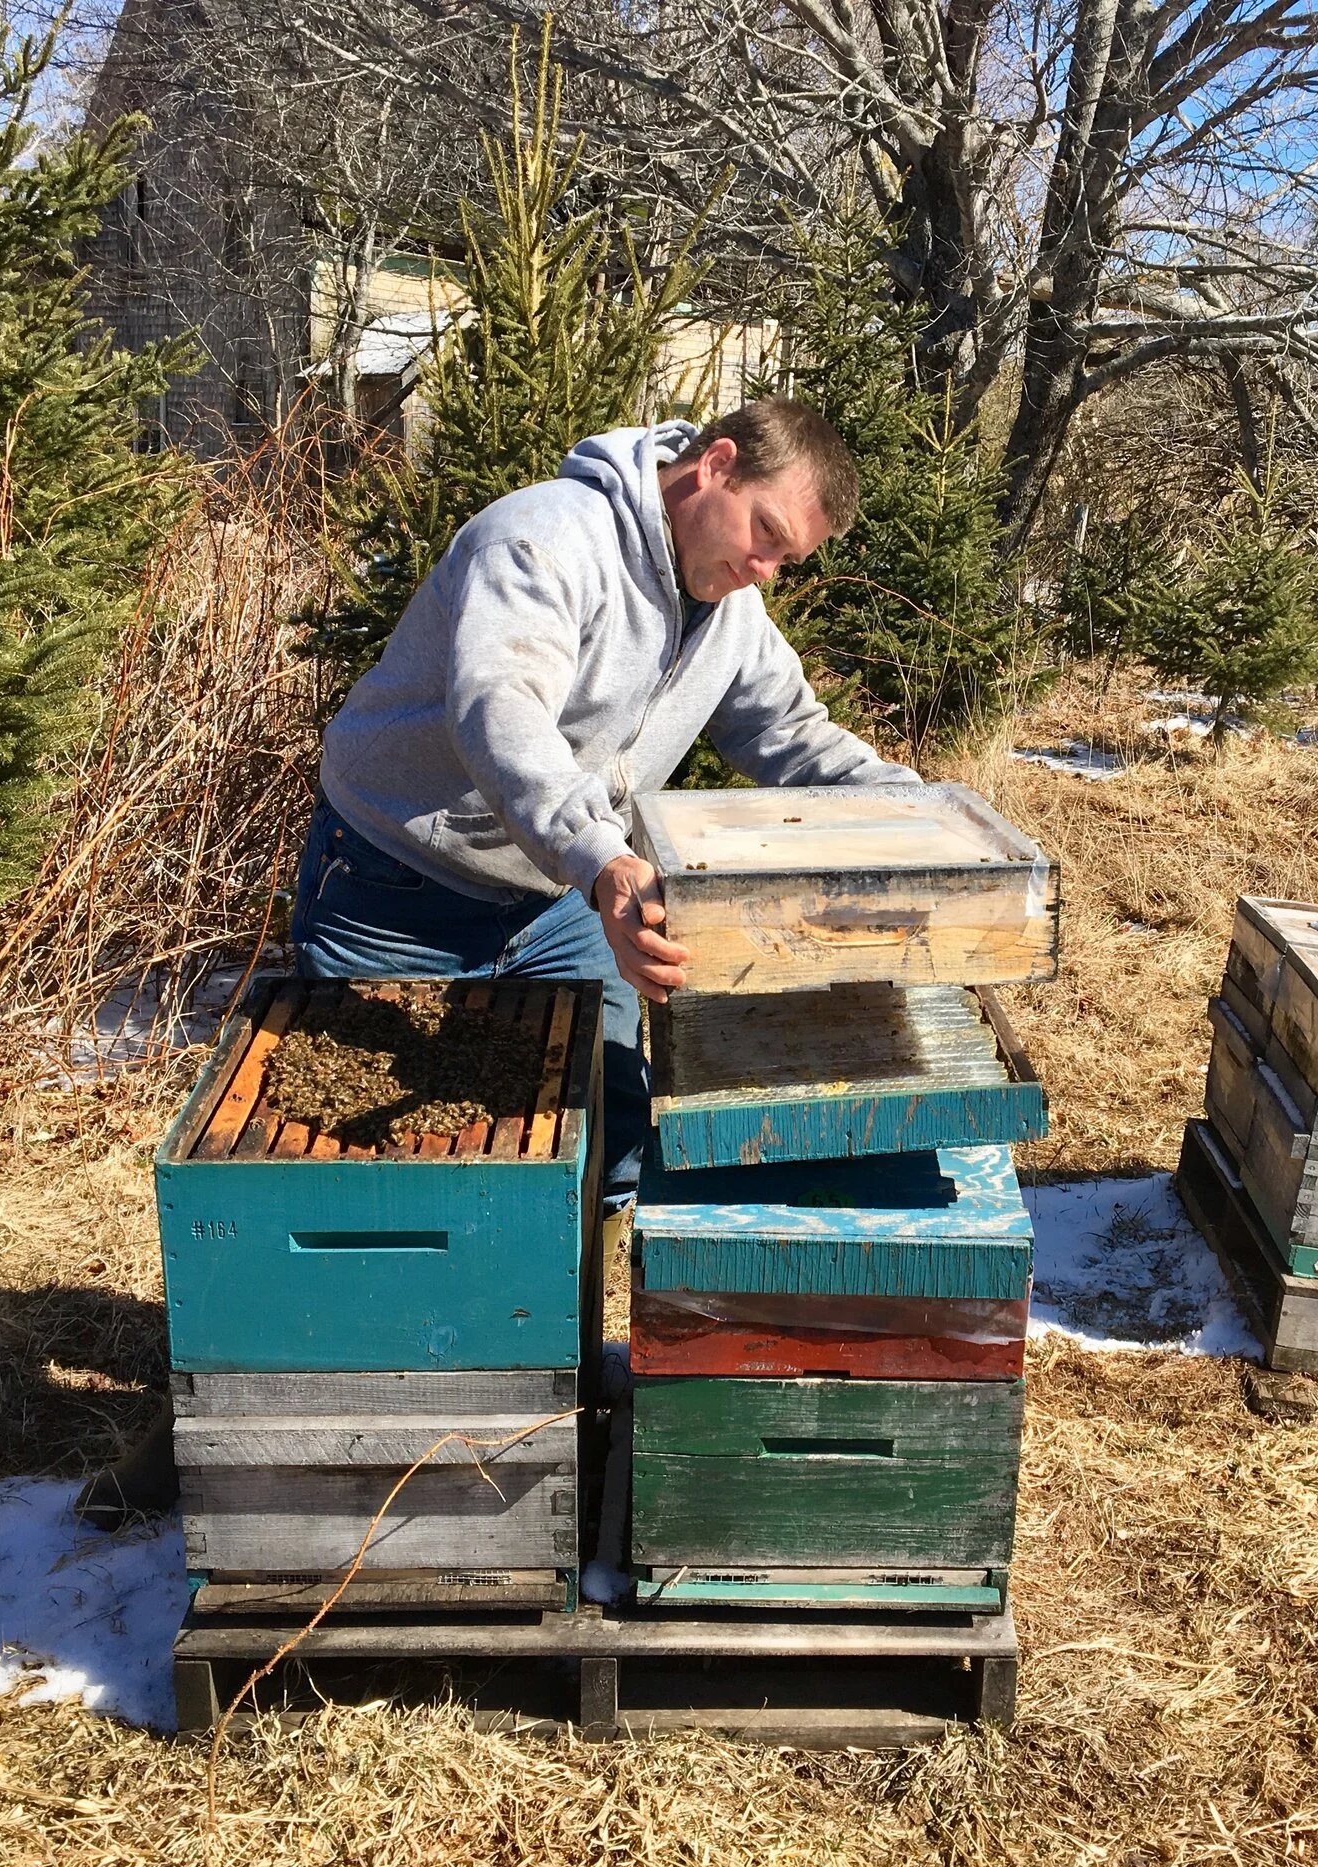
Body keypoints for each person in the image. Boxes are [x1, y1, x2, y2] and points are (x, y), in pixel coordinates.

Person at [77, 399, 914, 1527]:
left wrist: (937, 822)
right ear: (711, 466)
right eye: (762, 532)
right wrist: (608, 865)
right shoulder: (542, 537)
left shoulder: (729, 611)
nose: (765, 567)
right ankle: (223, 1420)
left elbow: (796, 740)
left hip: (560, 899)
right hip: (396, 884)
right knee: (339, 1180)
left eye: (787, 558)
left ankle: (543, 1389)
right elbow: (499, 715)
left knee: (606, 1138)